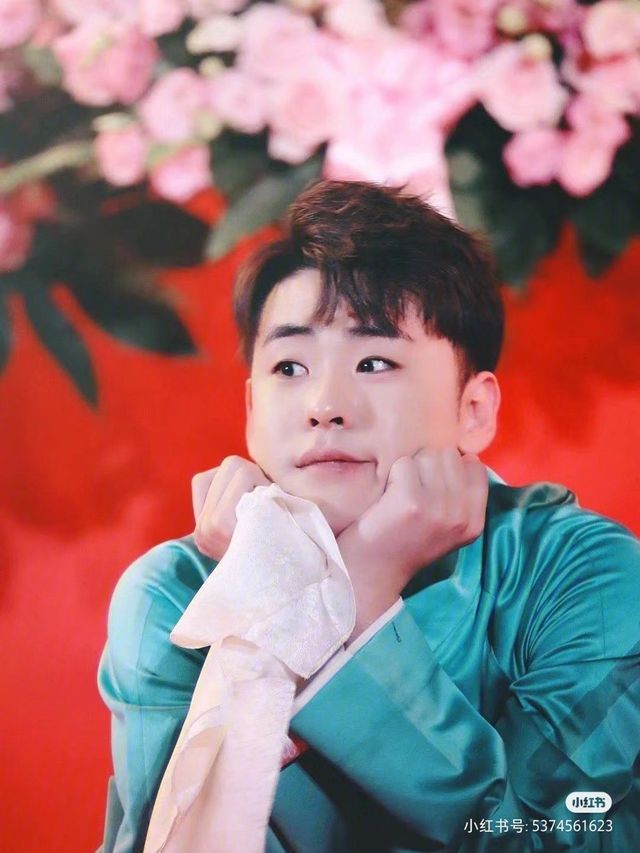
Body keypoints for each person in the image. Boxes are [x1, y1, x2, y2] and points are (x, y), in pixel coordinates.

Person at [97, 180, 640, 852]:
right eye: (289, 367)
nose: (324, 405)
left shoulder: (581, 573)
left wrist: (344, 606)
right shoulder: (173, 595)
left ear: (474, 410)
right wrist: (308, 588)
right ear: (251, 412)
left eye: (375, 361)